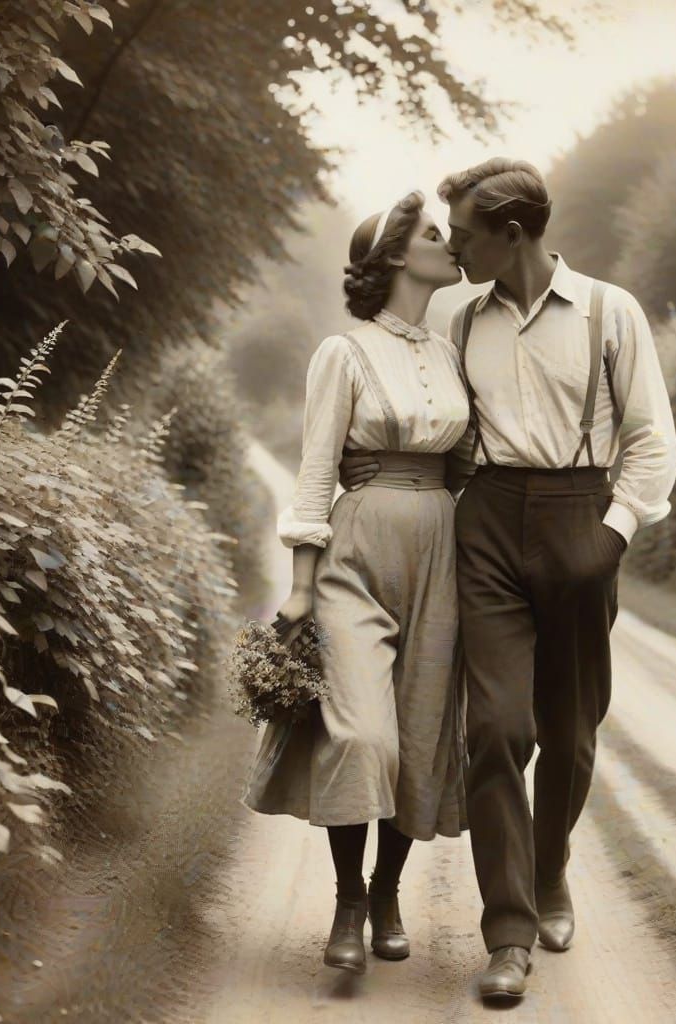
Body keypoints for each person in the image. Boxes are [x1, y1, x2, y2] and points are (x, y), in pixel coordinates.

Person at [342, 158, 676, 1002]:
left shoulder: (610, 312)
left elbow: (651, 437)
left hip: (583, 517)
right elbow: (437, 434)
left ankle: (553, 867)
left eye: (464, 235)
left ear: (514, 234)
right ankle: (509, 934)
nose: (454, 251)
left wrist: (614, 533)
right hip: (487, 520)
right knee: (494, 728)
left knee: (569, 730)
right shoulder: (459, 324)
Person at [241, 189, 471, 977]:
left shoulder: (451, 353)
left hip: (443, 547)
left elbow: (471, 461)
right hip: (358, 550)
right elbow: (313, 473)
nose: (452, 242)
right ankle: (343, 897)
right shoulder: (345, 353)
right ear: (399, 256)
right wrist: (300, 588)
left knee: (417, 734)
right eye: (436, 234)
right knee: (360, 732)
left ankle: (386, 891)